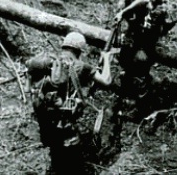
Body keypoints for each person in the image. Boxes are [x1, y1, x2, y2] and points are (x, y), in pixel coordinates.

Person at [25, 32, 112, 174]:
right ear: (79, 50)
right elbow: (107, 81)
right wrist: (107, 58)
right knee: (74, 166)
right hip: (66, 130)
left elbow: (29, 81)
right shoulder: (81, 66)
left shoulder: (49, 62)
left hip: (47, 126)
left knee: (57, 157)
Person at [108, 0, 171, 120]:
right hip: (139, 33)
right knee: (128, 62)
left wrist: (124, 12)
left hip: (144, 35)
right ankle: (135, 96)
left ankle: (142, 108)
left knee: (139, 64)